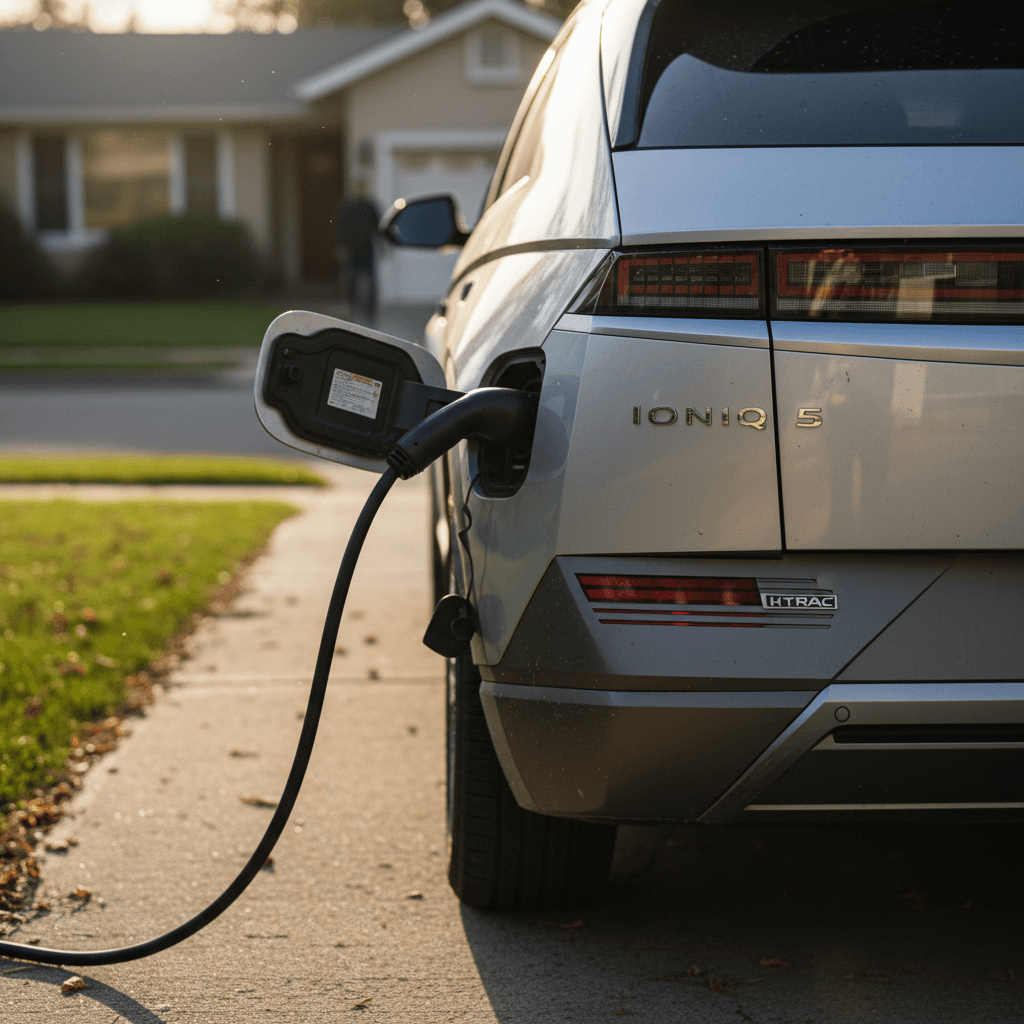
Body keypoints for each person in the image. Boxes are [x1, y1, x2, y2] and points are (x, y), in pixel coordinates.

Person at [334, 180, 381, 326]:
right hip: (351, 250)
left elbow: (378, 227)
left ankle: (371, 314)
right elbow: (340, 228)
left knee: (371, 282)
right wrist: (341, 247)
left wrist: (383, 246)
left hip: (367, 249)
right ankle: (352, 311)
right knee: (351, 281)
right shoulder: (346, 207)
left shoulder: (370, 206)